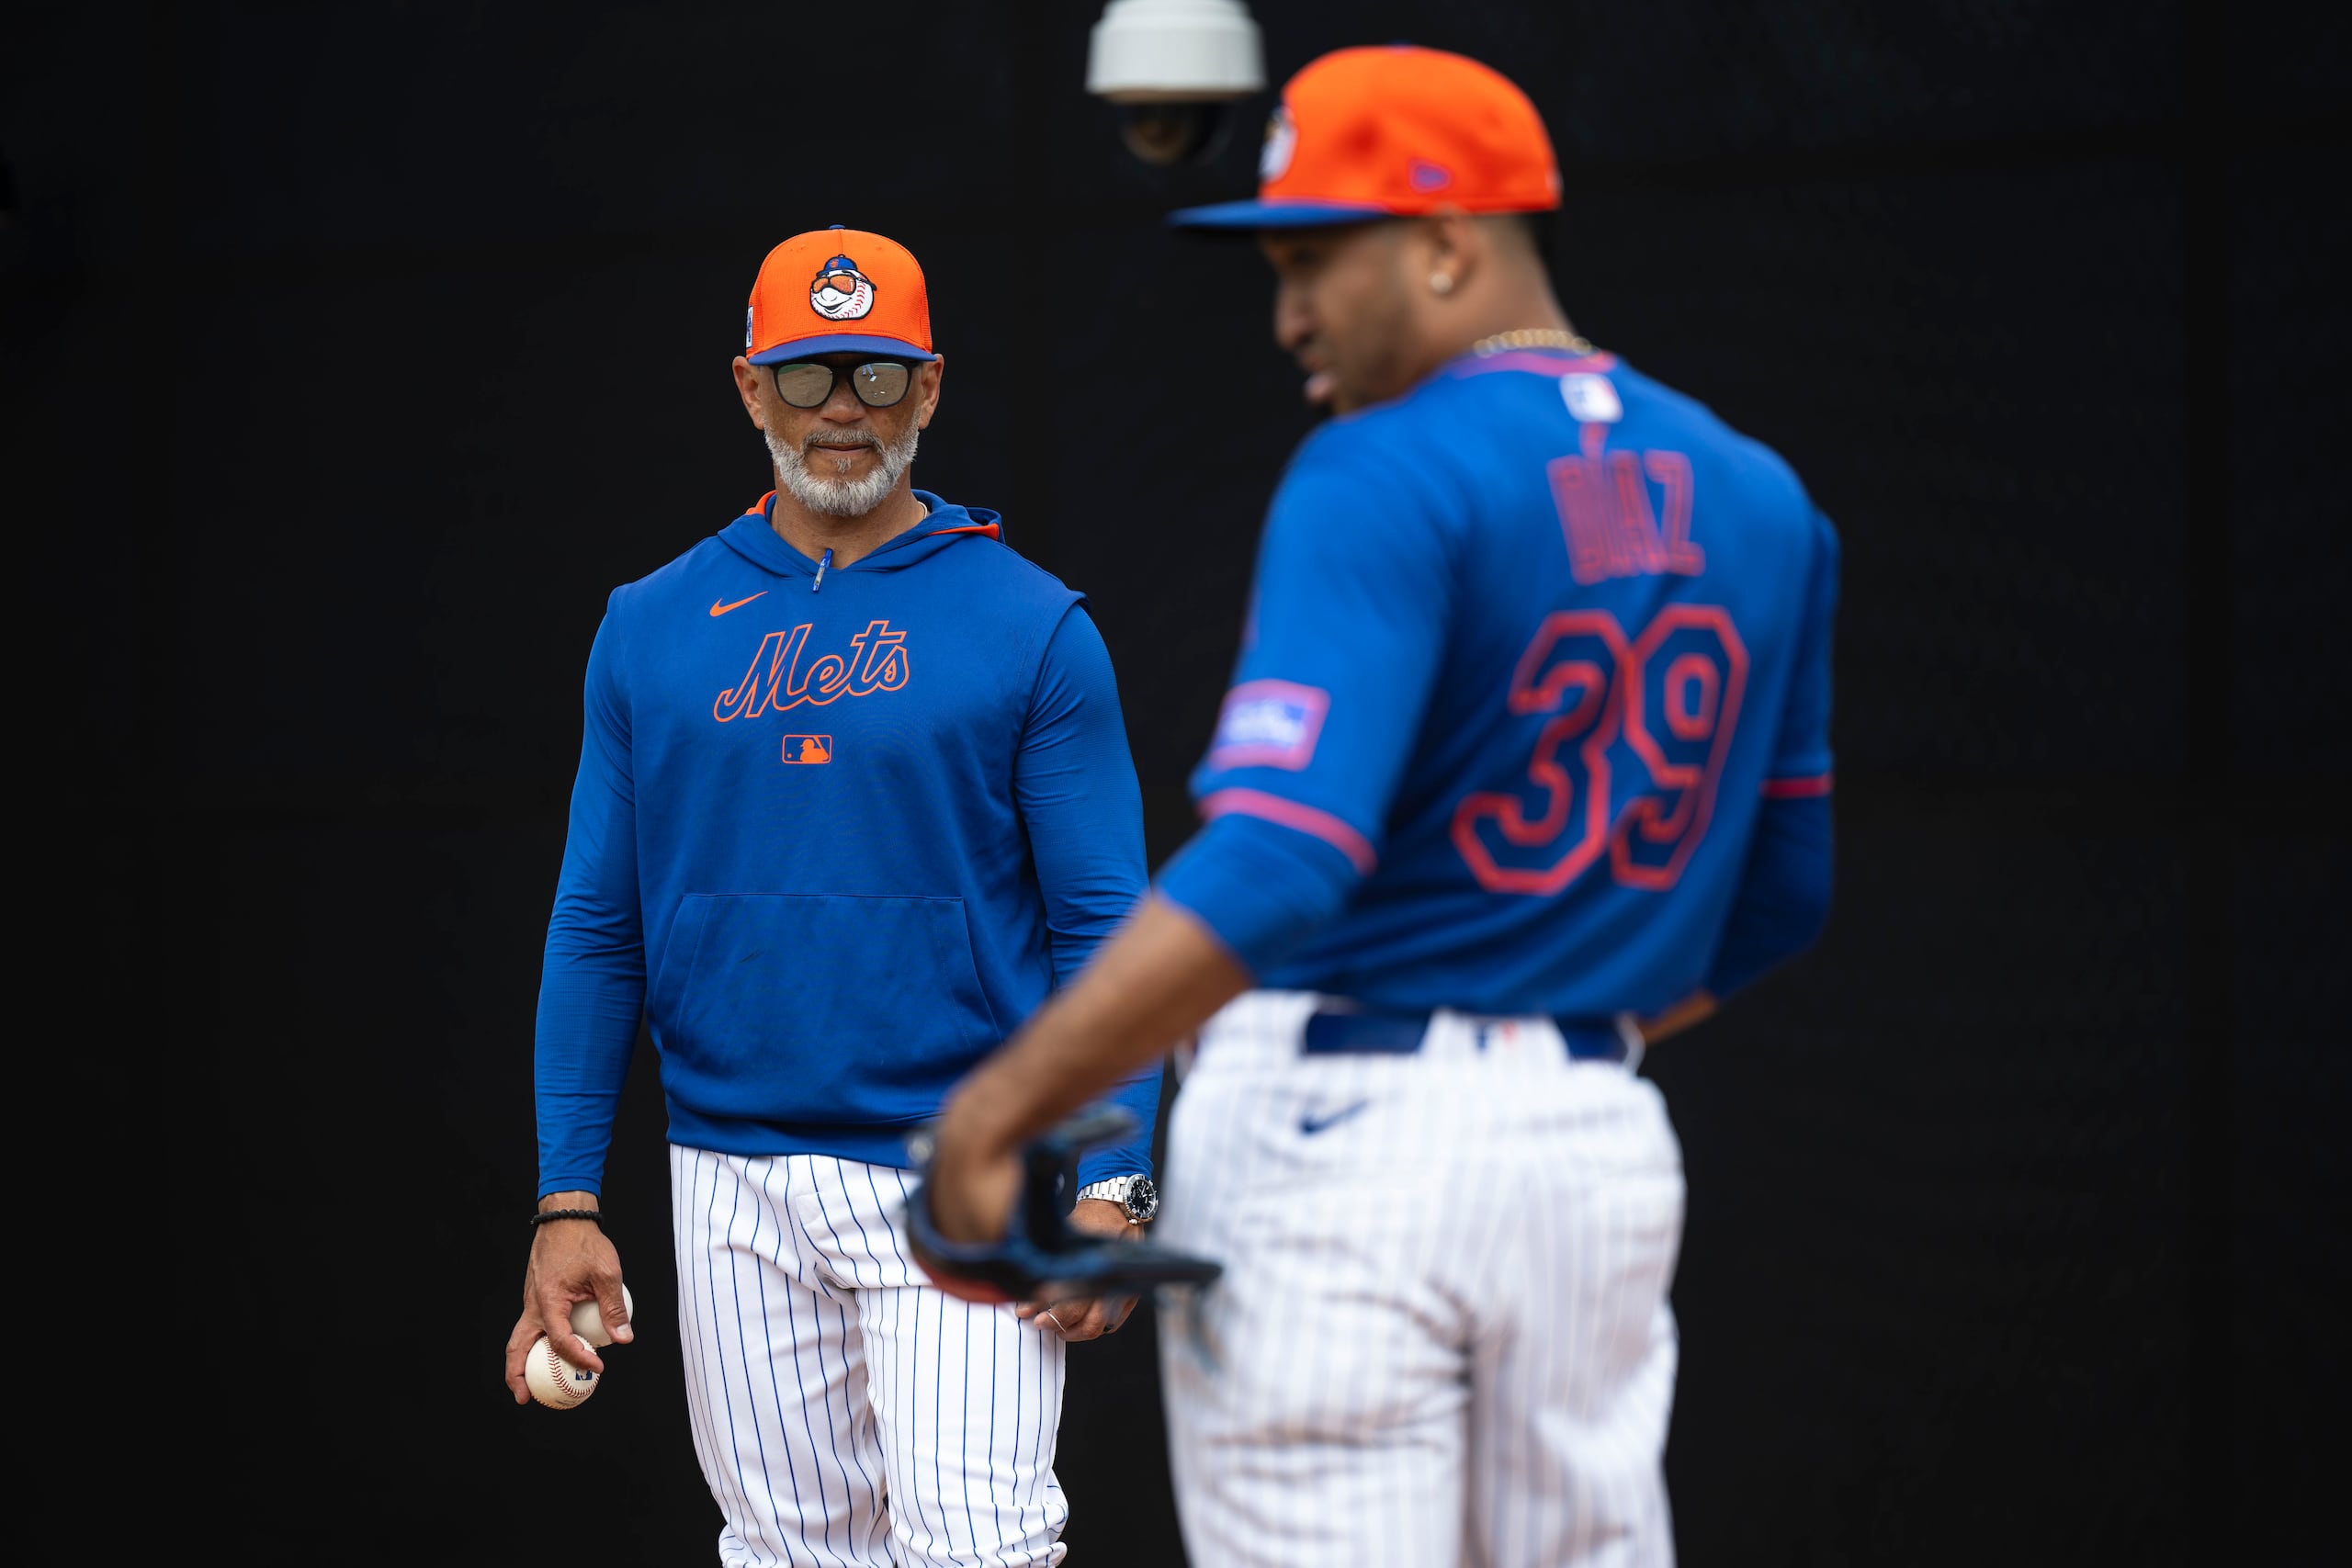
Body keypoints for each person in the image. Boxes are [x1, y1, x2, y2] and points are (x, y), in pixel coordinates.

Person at [922, 47, 1838, 1568]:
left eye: (1311, 262)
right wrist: (1549, 1018)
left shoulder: (1382, 467)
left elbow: (1284, 856)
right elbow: (1784, 895)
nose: (1288, 314)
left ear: (1446, 243)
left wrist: (995, 1109)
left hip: (1343, 1132)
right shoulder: (1763, 499)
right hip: (1593, 1139)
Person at [505, 226, 1164, 1568]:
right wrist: (567, 1199)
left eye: (878, 372)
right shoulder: (649, 624)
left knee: (977, 1549)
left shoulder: (1032, 623)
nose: (844, 408)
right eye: (809, 375)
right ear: (751, 389)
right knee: (786, 1554)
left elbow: (1106, 924)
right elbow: (597, 926)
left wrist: (1118, 1176)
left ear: (931, 387)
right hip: (727, 1170)